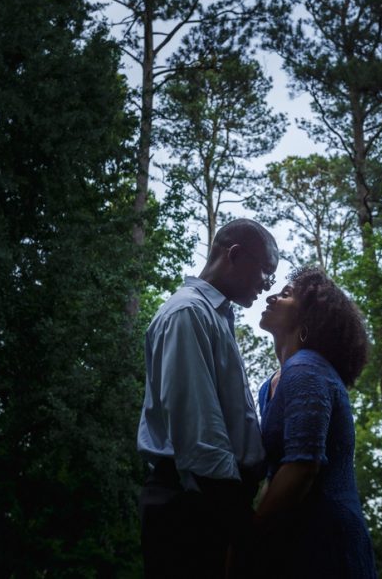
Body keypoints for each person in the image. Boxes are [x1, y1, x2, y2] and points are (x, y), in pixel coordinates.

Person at [138, 218, 279, 577]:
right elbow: (198, 431)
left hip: (209, 500)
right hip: (194, 506)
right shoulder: (188, 312)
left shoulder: (213, 316)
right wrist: (242, 525)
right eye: (266, 272)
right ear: (234, 255)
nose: (267, 285)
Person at [245, 266, 376, 578]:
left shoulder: (307, 368)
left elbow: (302, 467)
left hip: (328, 545)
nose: (272, 296)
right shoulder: (270, 385)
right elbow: (276, 473)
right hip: (292, 542)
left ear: (308, 321)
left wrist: (248, 543)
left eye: (287, 294)